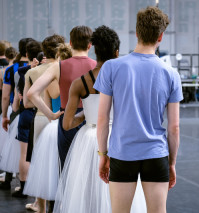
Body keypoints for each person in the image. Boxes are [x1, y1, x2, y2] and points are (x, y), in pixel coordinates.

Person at [94, 7, 183, 212]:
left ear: (136, 32)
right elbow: (174, 127)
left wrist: (102, 155)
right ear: (161, 36)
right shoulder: (171, 74)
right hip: (156, 154)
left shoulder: (111, 67)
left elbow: (102, 118)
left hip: (122, 153)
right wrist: (171, 162)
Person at [54, 25, 146, 213]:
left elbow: (67, 123)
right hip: (118, 139)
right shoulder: (127, 79)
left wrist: (85, 116)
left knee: (86, 194)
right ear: (117, 51)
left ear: (94, 50)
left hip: (89, 139)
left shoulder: (80, 83)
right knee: (120, 191)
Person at [27, 26, 96, 169]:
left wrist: (51, 115)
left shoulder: (58, 66)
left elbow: (32, 93)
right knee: (88, 170)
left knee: (66, 169)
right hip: (90, 120)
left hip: (67, 120)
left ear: (70, 43)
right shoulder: (96, 66)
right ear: (90, 45)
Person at [23, 34, 65, 213]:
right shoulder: (64, 69)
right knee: (59, 164)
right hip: (59, 118)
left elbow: (26, 103)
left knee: (41, 165)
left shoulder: (33, 72)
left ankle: (40, 206)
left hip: (42, 118)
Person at [0, 38, 33, 191]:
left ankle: (7, 181)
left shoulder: (11, 69)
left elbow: (5, 95)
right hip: (33, 110)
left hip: (15, 109)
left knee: (11, 146)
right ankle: (27, 185)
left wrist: (4, 115)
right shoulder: (39, 67)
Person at [14, 40, 42, 198]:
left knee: (24, 154)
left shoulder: (21, 72)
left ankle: (23, 187)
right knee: (41, 153)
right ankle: (39, 192)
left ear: (27, 54)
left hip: (25, 113)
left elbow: (18, 96)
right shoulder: (47, 71)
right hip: (41, 113)